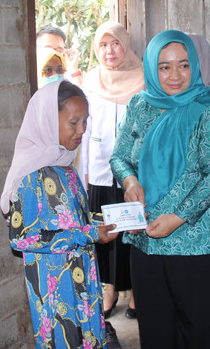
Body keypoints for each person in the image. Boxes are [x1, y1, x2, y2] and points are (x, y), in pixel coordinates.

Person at [110, 30, 210, 348]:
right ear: (152, 68)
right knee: (154, 324)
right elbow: (119, 156)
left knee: (195, 325)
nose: (175, 75)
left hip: (196, 237)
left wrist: (177, 216)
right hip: (145, 236)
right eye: (164, 66)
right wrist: (129, 181)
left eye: (183, 65)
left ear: (194, 65)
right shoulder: (140, 104)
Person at [1, 80, 119, 348]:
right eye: (73, 122)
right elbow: (21, 238)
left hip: (84, 278)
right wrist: (88, 234)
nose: (82, 131)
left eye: (85, 122)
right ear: (47, 121)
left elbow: (78, 220)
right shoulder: (31, 175)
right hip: (56, 288)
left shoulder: (66, 165)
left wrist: (111, 222)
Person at [80, 21, 144, 319]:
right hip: (100, 170)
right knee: (105, 233)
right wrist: (84, 173)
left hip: (133, 171)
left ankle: (135, 293)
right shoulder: (91, 81)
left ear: (125, 44)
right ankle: (109, 289)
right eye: (103, 45)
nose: (110, 51)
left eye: (115, 43)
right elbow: (83, 128)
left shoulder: (144, 78)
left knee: (132, 230)